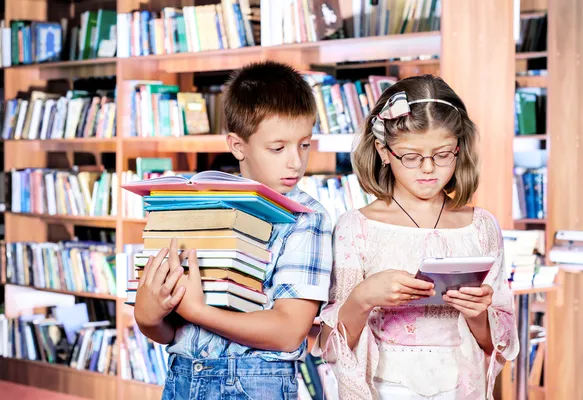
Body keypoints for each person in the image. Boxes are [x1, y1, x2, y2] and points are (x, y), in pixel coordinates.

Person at [134, 61, 333, 400]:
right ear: (238, 145)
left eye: (304, 144)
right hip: (182, 376)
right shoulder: (197, 205)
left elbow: (288, 331)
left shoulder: (306, 218)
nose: (295, 162)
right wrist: (147, 316)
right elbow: (173, 331)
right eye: (278, 147)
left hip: (256, 383)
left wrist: (198, 312)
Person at [316, 75, 519, 399]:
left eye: (442, 155)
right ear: (384, 151)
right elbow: (329, 347)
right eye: (410, 157)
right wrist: (363, 297)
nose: (428, 169)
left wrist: (478, 313)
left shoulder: (480, 227)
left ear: (459, 148)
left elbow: (497, 346)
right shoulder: (356, 227)